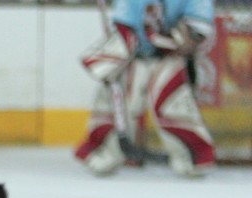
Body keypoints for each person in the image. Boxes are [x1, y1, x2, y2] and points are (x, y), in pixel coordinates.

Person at [74, 0, 216, 176]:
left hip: (170, 56)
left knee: (173, 103)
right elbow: (124, 28)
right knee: (121, 101)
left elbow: (198, 27)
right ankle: (103, 152)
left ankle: (192, 156)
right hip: (135, 55)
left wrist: (183, 38)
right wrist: (113, 55)